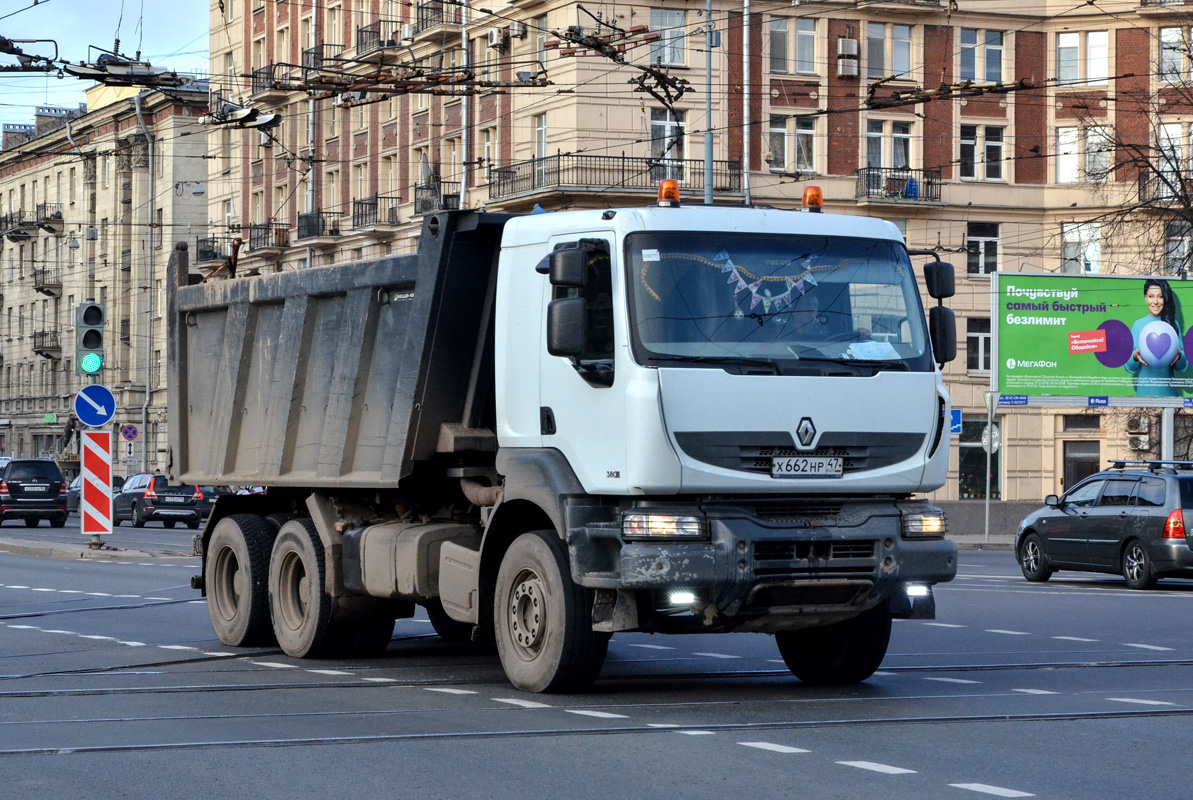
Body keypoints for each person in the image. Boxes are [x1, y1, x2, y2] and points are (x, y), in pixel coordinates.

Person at [1125, 278, 1188, 397]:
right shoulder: (1138, 325)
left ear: (1165, 298)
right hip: (1144, 395)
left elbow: (1182, 367)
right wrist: (1135, 356)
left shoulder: (1173, 324)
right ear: (1145, 298)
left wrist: (1179, 355)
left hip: (1168, 395)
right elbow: (1129, 367)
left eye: (1160, 296)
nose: (1155, 301)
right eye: (1151, 296)